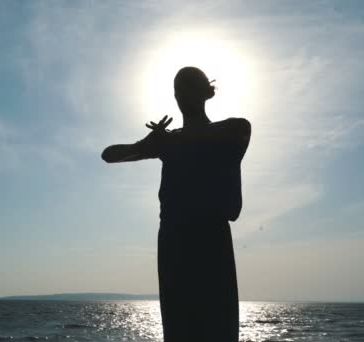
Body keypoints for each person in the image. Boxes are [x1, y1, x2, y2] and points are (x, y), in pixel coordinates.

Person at [101, 66, 251, 341]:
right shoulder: (168, 142)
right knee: (178, 329)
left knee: (219, 328)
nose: (182, 95)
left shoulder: (230, 130)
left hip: (211, 243)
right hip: (174, 247)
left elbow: (236, 131)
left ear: (206, 93)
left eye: (189, 87)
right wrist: (144, 144)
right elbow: (109, 155)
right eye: (178, 89)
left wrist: (170, 141)